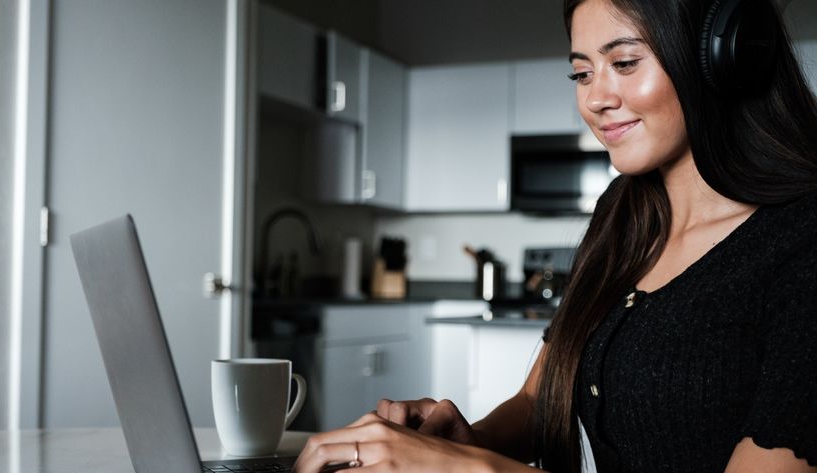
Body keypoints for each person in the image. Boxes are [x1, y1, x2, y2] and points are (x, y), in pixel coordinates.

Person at [292, 0, 817, 471]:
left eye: (625, 63)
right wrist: (467, 443)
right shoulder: (622, 213)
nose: (594, 99)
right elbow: (542, 400)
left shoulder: (802, 240)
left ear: (725, 60)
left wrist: (466, 471)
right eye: (581, 74)